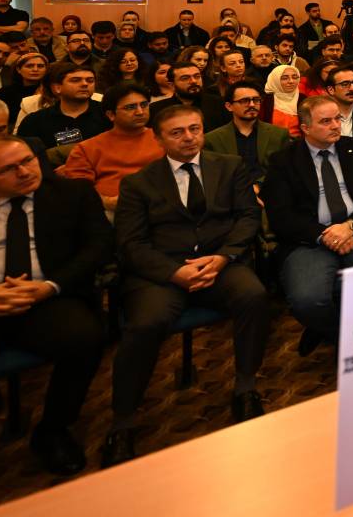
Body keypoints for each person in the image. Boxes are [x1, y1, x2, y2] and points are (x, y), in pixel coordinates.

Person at [107, 105, 269, 465]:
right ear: (159, 138)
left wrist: (223, 257)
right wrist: (173, 273)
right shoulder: (138, 183)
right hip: (163, 273)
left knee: (254, 296)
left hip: (219, 262)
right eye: (177, 132)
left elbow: (248, 216)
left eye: (195, 129)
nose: (189, 138)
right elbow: (130, 245)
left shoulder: (229, 166)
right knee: (145, 324)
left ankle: (246, 387)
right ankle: (123, 421)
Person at [0, 136, 114, 475]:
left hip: (49, 296)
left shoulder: (72, 194)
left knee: (86, 338)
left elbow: (99, 245)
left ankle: (54, 429)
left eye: (28, 161)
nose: (24, 172)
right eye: (8, 169)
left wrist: (49, 287)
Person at [261, 95, 353, 355]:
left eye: (338, 119)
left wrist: (350, 226)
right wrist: (325, 235)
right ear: (305, 128)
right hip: (309, 240)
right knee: (308, 301)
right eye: (325, 121)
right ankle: (342, 336)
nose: (335, 125)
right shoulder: (283, 161)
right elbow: (281, 215)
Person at [57, 82, 163, 217]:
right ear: (111, 114)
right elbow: (79, 190)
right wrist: (106, 202)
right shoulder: (87, 148)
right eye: (130, 107)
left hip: (160, 205)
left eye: (144, 105)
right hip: (109, 211)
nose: (140, 112)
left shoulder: (164, 139)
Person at [202, 81, 292, 187]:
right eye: (244, 101)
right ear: (229, 106)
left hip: (268, 190)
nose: (252, 105)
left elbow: (283, 169)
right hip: (230, 192)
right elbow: (213, 175)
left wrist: (258, 186)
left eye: (256, 100)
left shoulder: (278, 134)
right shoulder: (212, 139)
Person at [17, 62, 110, 151]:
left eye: (90, 81)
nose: (85, 84)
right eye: (75, 80)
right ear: (57, 88)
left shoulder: (109, 114)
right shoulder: (35, 121)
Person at [149, 61, 228, 131]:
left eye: (197, 76)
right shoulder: (157, 109)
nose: (193, 81)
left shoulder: (219, 103)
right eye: (185, 78)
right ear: (172, 85)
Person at [0, 51, 47, 129]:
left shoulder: (51, 91)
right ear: (19, 69)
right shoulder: (5, 92)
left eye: (40, 66)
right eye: (29, 66)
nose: (35, 69)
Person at [265, 64, 303, 138]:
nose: (291, 81)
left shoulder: (304, 100)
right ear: (275, 80)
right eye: (285, 78)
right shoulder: (266, 101)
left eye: (295, 77)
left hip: (299, 142)